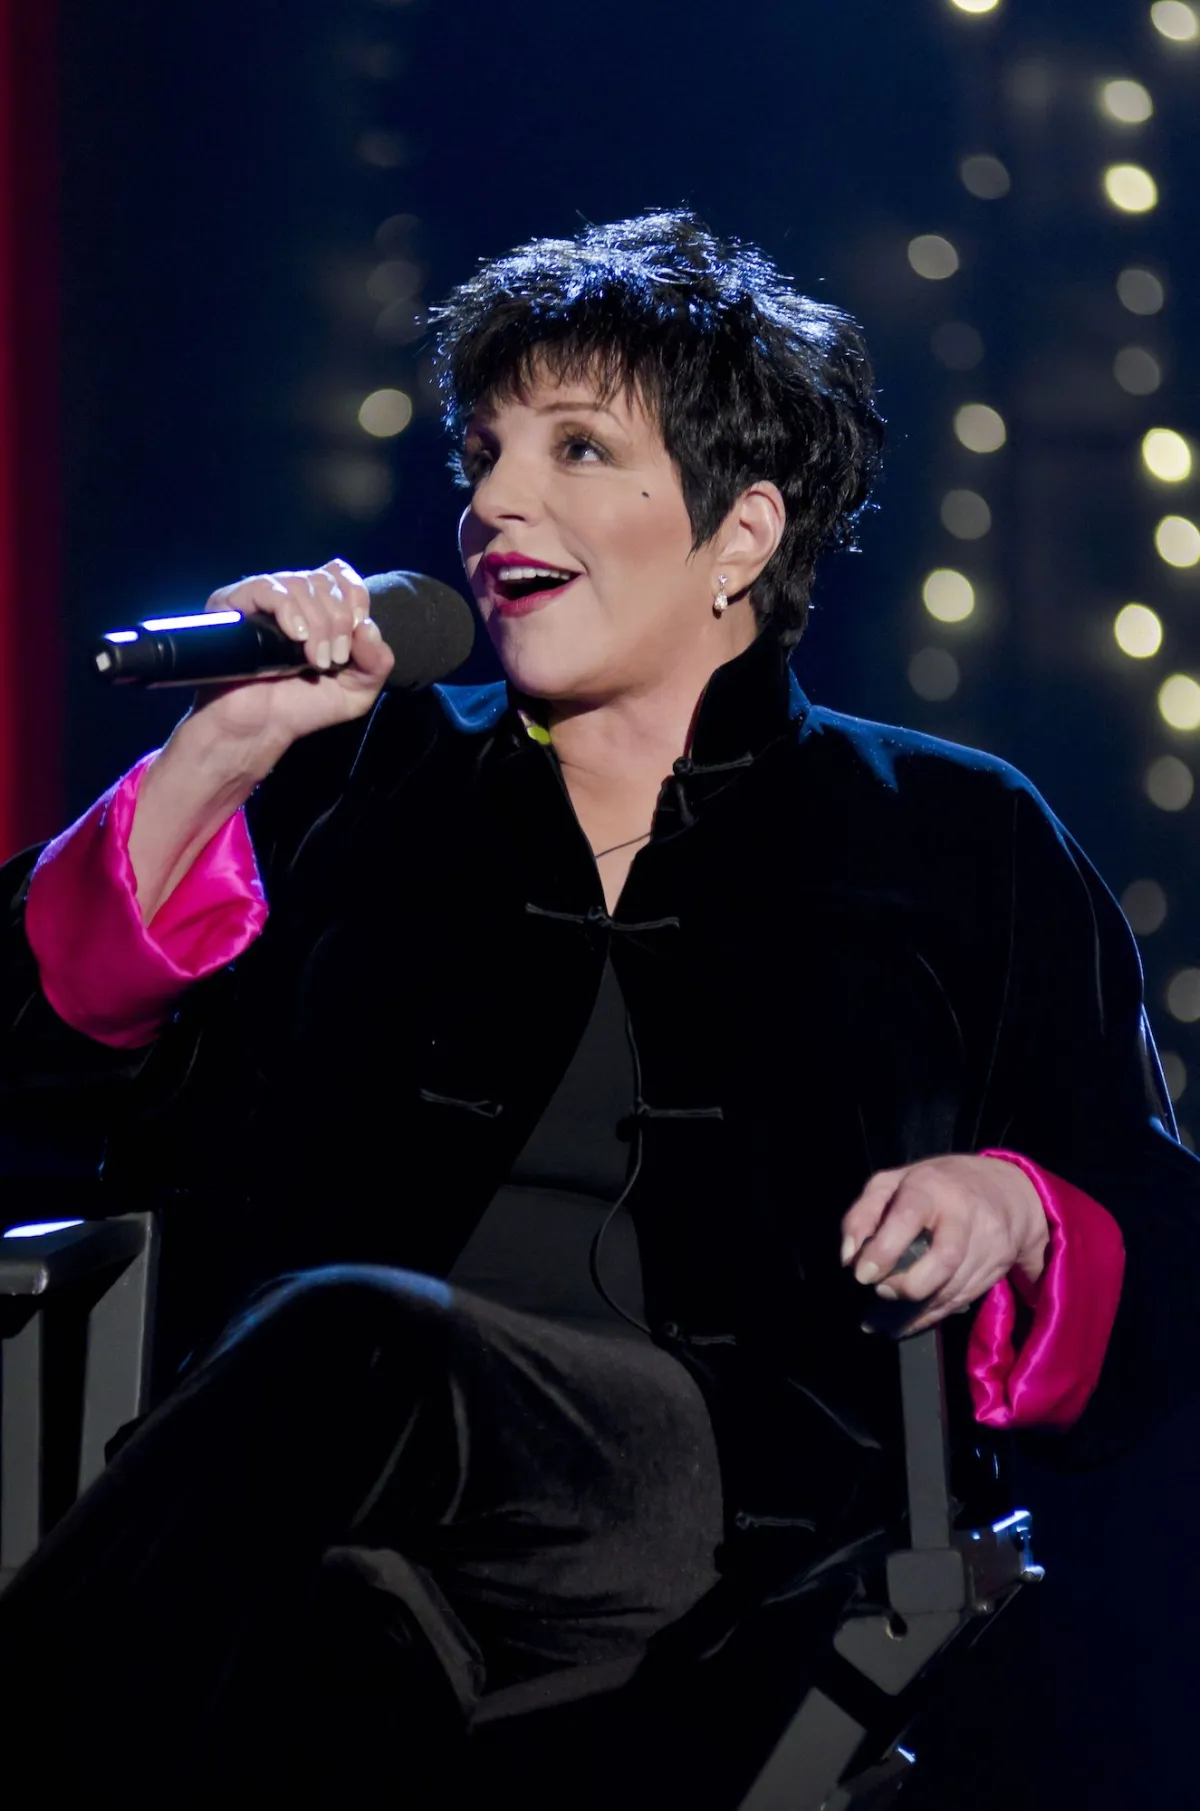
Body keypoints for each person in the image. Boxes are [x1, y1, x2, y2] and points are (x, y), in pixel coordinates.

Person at [0, 208, 1195, 1804]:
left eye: (576, 447)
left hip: (719, 1505)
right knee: (336, 1639)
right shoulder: (351, 784)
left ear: (741, 534)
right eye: (484, 451)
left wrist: (1018, 1207)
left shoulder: (955, 837)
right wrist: (213, 754)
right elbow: (36, 1063)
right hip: (324, 1518)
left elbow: (1156, 1240)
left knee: (356, 1336)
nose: (497, 501)